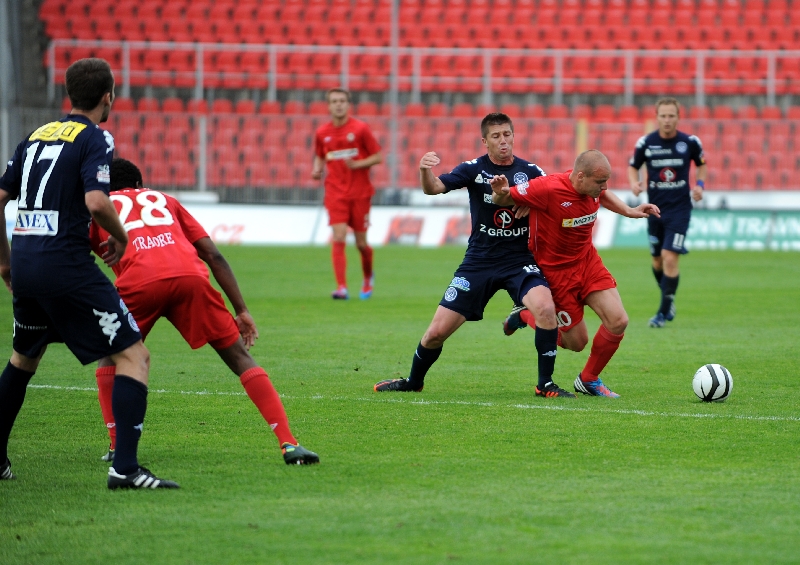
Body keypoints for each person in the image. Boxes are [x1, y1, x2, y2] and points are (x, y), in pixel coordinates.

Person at [0, 58, 177, 489]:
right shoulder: (95, 137)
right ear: (107, 97)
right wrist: (121, 236)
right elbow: (97, 202)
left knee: (23, 359)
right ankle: (126, 469)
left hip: (26, 263)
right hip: (66, 265)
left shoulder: (36, 136)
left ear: (69, 94)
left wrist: (5, 262)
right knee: (134, 356)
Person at [89, 158, 319, 466]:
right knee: (240, 357)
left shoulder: (99, 206)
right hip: (190, 278)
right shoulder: (165, 200)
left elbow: (77, 252)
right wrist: (241, 310)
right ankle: (289, 443)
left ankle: (118, 446)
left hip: (139, 282)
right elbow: (212, 254)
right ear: (141, 184)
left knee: (111, 358)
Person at [374, 113, 576, 398]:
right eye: (496, 136)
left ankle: (545, 384)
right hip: (479, 263)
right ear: (485, 141)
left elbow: (555, 199)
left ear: (514, 136)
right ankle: (413, 381)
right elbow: (434, 188)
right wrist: (424, 171)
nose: (503, 140)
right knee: (435, 333)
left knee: (545, 308)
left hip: (519, 261)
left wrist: (533, 204)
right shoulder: (473, 169)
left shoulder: (531, 171)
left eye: (507, 134)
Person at [493, 150, 660, 398]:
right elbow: (504, 197)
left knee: (618, 321)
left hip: (588, 263)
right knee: (577, 343)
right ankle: (526, 315)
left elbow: (603, 195)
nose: (604, 187)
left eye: (606, 181)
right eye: (600, 182)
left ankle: (588, 379)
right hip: (557, 274)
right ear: (580, 176)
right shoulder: (547, 188)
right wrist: (503, 193)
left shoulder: (594, 189)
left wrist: (630, 210)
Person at [627, 97, 707, 328]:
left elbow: (702, 164)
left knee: (669, 257)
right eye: (663, 116)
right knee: (656, 261)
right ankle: (668, 299)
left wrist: (700, 186)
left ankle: (662, 312)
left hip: (680, 210)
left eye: (671, 115)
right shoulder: (646, 142)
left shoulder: (689, 142)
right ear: (657, 117)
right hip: (654, 210)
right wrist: (634, 183)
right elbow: (633, 166)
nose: (667, 120)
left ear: (678, 117)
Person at [312, 88, 383, 300]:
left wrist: (358, 164)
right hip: (335, 192)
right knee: (339, 236)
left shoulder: (360, 129)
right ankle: (341, 287)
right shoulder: (322, 133)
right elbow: (320, 156)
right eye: (334, 101)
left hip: (360, 193)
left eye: (342, 101)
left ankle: (368, 277)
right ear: (328, 106)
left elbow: (378, 156)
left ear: (348, 104)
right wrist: (317, 169)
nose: (338, 105)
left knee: (361, 244)